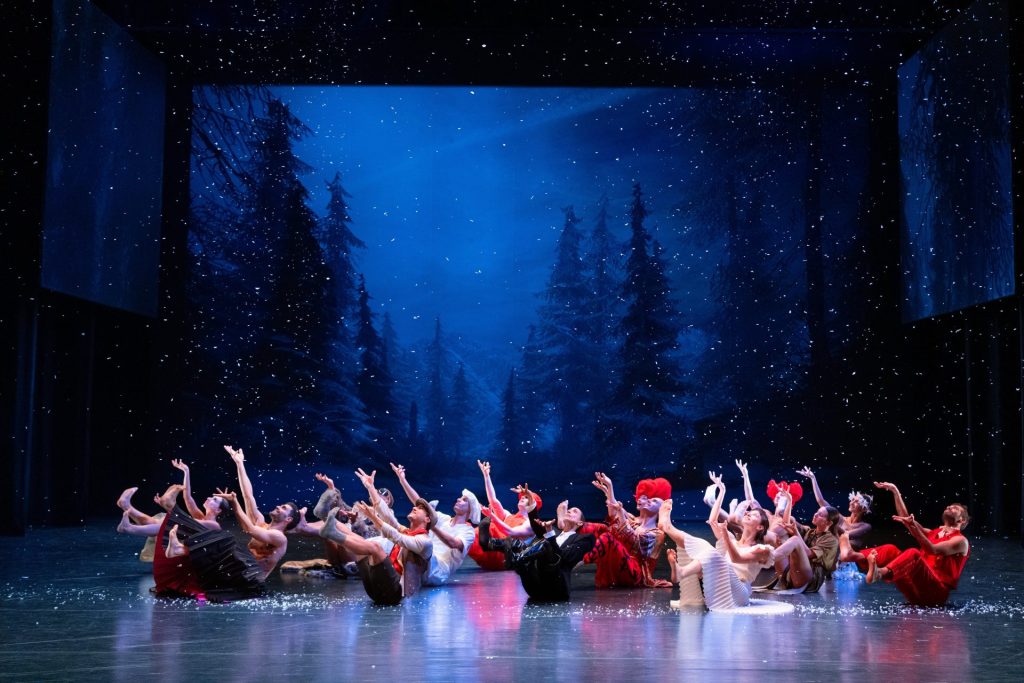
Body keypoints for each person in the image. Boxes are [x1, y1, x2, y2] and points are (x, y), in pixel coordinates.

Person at [658, 472, 774, 611]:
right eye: (748, 512)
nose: (748, 513)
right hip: (721, 584)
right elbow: (713, 520)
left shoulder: (763, 550)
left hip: (739, 592)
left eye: (754, 515)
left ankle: (682, 571)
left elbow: (736, 558)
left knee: (713, 554)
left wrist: (725, 534)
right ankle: (668, 528)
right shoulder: (732, 540)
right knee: (703, 544)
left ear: (760, 527)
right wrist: (722, 492)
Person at [318, 468, 435, 605]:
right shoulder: (407, 531)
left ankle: (332, 533)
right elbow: (388, 516)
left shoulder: (425, 542)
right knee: (361, 543)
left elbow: (396, 536)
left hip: (394, 593)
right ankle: (326, 518)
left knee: (375, 547)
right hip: (375, 587)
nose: (414, 507)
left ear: (427, 519)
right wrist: (370, 487)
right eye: (416, 506)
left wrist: (373, 517)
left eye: (420, 509)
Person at [864, 482, 970, 607]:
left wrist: (913, 526)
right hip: (916, 592)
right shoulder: (932, 533)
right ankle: (853, 556)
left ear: (961, 520)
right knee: (890, 550)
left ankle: (879, 573)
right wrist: (895, 491)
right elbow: (905, 518)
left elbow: (932, 549)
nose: (949, 507)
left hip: (936, 594)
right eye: (949, 506)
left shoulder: (961, 541)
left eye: (955, 508)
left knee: (914, 553)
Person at [478, 499, 596, 602]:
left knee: (545, 544)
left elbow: (565, 558)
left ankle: (518, 559)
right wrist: (530, 500)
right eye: (569, 510)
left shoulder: (585, 539)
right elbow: (535, 525)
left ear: (580, 522)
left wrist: (550, 534)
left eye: (575, 511)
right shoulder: (554, 531)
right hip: (534, 586)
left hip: (555, 589)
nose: (569, 511)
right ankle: (489, 543)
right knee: (517, 543)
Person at [389, 462, 479, 586]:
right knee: (392, 541)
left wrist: (432, 525)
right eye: (460, 497)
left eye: (464, 500)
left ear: (470, 510)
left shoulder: (468, 531)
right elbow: (419, 504)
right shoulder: (443, 518)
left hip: (438, 570)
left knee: (419, 543)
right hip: (425, 561)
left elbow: (453, 543)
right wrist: (402, 480)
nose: (459, 499)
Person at [584, 472, 672, 588]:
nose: (649, 501)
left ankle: (581, 559)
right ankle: (571, 533)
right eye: (648, 498)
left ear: (661, 509)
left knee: (607, 537)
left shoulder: (658, 533)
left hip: (636, 574)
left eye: (654, 501)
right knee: (600, 528)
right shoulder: (633, 520)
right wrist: (609, 487)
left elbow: (633, 539)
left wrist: (620, 511)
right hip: (621, 565)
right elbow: (614, 512)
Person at [468, 460, 542, 569]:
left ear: (532, 504)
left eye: (526, 497)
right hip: (492, 553)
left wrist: (493, 516)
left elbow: (510, 532)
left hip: (505, 557)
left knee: (489, 525)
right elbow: (493, 500)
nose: (522, 497)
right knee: (470, 531)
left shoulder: (530, 523)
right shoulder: (508, 515)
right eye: (522, 496)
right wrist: (486, 476)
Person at [768, 487, 840, 593]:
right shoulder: (809, 531)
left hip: (809, 581)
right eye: (817, 512)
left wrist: (795, 532)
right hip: (792, 575)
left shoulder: (831, 540)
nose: (815, 514)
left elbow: (807, 553)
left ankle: (765, 558)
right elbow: (788, 521)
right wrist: (788, 502)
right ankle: (759, 556)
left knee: (795, 539)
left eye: (820, 515)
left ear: (828, 523)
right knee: (778, 538)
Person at [797, 466, 872, 545]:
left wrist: (829, 523)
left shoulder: (865, 526)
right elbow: (821, 501)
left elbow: (846, 535)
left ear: (864, 509)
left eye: (856, 502)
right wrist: (813, 478)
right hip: (823, 544)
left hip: (837, 550)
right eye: (852, 500)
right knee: (793, 521)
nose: (851, 503)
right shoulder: (842, 519)